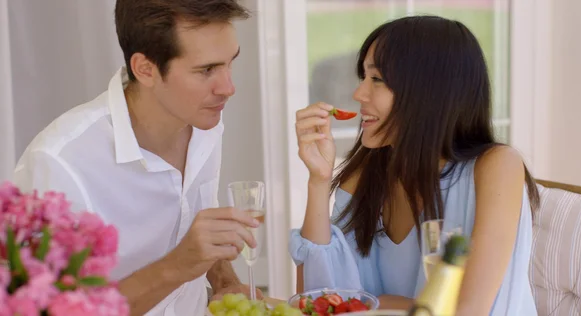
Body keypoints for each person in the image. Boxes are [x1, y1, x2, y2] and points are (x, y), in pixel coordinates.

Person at [13, 0, 262, 315]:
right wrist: (176, 266)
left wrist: (224, 280)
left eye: (230, 62)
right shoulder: (60, 164)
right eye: (207, 70)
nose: (228, 87)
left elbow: (193, 224)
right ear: (146, 69)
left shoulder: (204, 122)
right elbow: (49, 310)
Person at [289, 16, 540, 316]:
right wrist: (318, 181)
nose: (359, 94)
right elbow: (316, 300)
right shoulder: (367, 173)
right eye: (363, 78)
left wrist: (382, 302)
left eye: (377, 79)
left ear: (428, 91)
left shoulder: (497, 167)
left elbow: (467, 309)